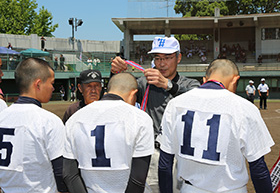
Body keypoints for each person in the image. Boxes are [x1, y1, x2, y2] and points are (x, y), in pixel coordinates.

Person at [159, 59, 274, 193]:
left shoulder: (175, 104)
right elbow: (258, 168)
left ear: (204, 79)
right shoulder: (245, 108)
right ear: (235, 79)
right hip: (232, 189)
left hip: (189, 189)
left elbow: (164, 164)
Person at [111, 36, 200, 191]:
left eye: (167, 58)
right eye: (157, 58)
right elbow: (117, 96)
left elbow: (198, 100)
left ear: (178, 58)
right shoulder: (144, 83)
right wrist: (115, 74)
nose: (162, 63)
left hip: (182, 156)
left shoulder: (190, 84)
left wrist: (169, 85)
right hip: (153, 154)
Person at [63, 73, 154, 193]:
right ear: (133, 94)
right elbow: (138, 179)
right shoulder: (140, 118)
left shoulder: (75, 118)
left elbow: (69, 174)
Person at [0, 58, 67, 192]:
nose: (53, 88)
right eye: (51, 83)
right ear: (38, 84)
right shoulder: (49, 121)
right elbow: (61, 172)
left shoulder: (2, 116)